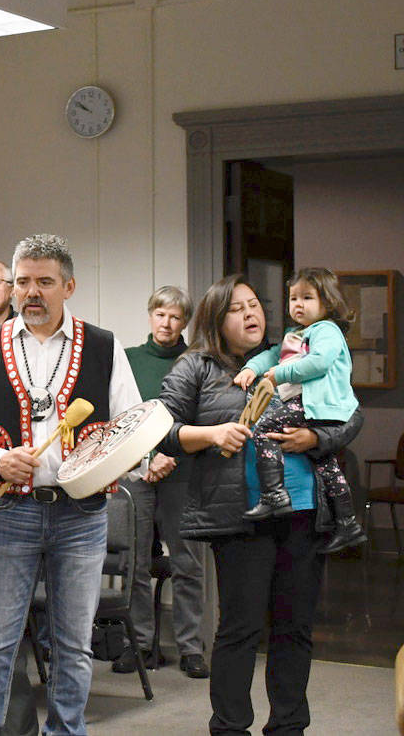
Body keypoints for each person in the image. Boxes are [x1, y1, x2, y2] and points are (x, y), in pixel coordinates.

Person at [0, 234, 140, 736]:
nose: (32, 292)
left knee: (74, 644)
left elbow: (128, 424)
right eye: (24, 282)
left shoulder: (103, 345)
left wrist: (109, 463)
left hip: (82, 516)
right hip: (9, 512)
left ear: (69, 286)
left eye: (45, 282)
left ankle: (65, 731)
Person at [157, 273, 363, 735]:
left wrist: (317, 436)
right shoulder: (197, 367)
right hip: (240, 516)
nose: (252, 313)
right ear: (215, 317)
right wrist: (210, 434)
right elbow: (160, 431)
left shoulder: (296, 351)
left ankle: (289, 727)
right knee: (241, 628)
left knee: (295, 628)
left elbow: (351, 412)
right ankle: (229, 727)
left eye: (255, 304)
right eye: (237, 308)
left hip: (305, 507)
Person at [233, 268, 366, 553]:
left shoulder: (326, 330)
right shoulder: (296, 333)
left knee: (265, 427)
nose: (298, 304)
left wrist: (279, 374)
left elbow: (319, 362)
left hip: (317, 405)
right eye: (293, 298)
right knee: (326, 464)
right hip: (315, 407)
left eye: (307, 297)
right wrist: (250, 368)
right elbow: (271, 355)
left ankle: (274, 495)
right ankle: (348, 524)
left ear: (327, 303)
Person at [114, 285, 210, 678]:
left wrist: (170, 455)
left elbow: (203, 418)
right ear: (150, 315)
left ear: (184, 322)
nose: (166, 323)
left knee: (187, 562)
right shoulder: (129, 360)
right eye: (160, 314)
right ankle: (138, 645)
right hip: (136, 472)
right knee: (134, 562)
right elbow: (122, 416)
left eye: (175, 316)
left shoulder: (198, 361)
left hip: (183, 473)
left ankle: (190, 648)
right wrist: (148, 458)